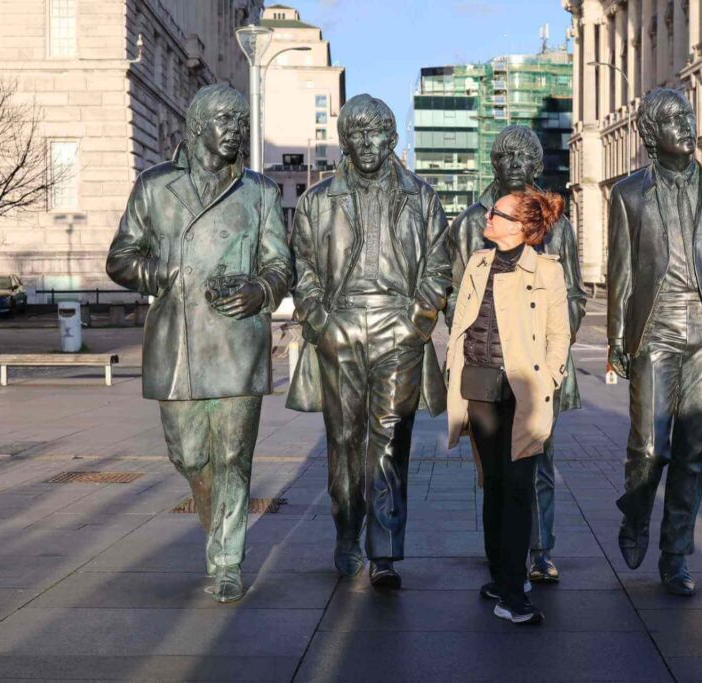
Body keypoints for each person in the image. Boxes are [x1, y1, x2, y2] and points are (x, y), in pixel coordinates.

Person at [106, 84, 291, 603]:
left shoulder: (259, 192)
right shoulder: (155, 186)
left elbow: (281, 264)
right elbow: (120, 258)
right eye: (224, 120)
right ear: (197, 126)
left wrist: (261, 289)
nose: (235, 130)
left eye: (240, 122)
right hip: (179, 344)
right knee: (189, 457)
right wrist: (161, 273)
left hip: (237, 341)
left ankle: (228, 559)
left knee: (233, 456)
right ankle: (217, 529)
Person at [286, 94, 452, 590]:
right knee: (343, 440)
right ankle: (346, 528)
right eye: (356, 133)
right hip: (339, 326)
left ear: (392, 138)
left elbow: (438, 267)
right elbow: (302, 267)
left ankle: (384, 550)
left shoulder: (422, 198)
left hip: (398, 328)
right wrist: (320, 322)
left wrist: (417, 321)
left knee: (390, 440)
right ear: (344, 141)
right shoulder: (318, 200)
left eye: (375, 132)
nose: (366, 142)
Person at [606, 87, 702, 596]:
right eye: (675, 119)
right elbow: (621, 273)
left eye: (689, 116)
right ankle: (635, 513)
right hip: (654, 330)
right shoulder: (629, 194)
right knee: (649, 448)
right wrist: (616, 338)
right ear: (652, 134)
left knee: (693, 452)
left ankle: (675, 555)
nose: (688, 125)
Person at [447, 126, 586, 583]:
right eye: (504, 157)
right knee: (494, 472)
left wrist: (551, 361)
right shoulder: (472, 222)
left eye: (522, 158)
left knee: (539, 461)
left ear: (536, 166)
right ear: (494, 163)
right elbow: (454, 292)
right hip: (486, 370)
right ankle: (503, 561)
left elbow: (574, 295)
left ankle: (540, 549)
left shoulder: (557, 226)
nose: (513, 165)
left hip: (535, 369)